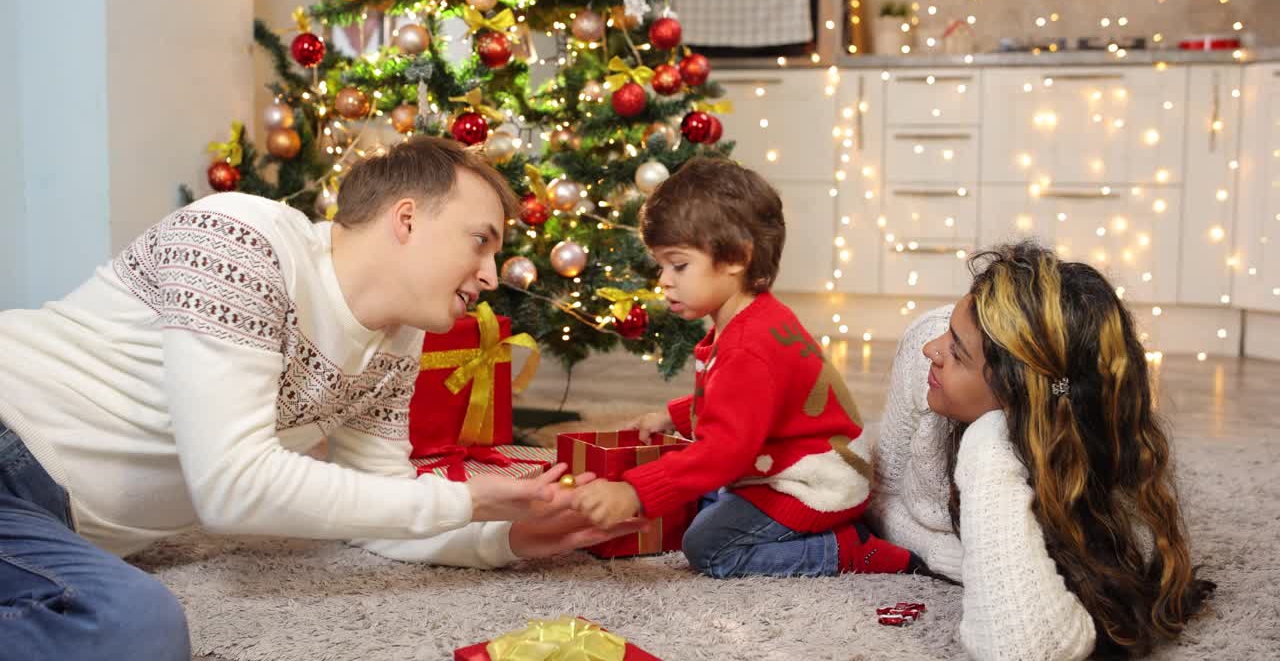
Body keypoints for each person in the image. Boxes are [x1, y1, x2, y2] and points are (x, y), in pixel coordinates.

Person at [0, 136, 643, 660]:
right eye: (481, 241)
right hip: (12, 442)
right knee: (132, 628)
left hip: (51, 524)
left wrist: (504, 538)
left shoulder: (399, 340)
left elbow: (382, 507)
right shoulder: (240, 239)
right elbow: (232, 489)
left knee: (120, 627)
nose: (492, 275)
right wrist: (467, 497)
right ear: (408, 218)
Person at [571, 157, 919, 578]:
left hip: (813, 485)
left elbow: (724, 451)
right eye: (661, 265)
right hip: (808, 464)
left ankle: (844, 549)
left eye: (678, 265)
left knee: (707, 547)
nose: (663, 279)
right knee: (702, 496)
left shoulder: (748, 345)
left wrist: (635, 492)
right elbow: (743, 399)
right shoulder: (752, 318)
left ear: (736, 257)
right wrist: (673, 415)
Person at [872, 241, 1215, 660]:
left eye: (958, 353)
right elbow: (880, 494)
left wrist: (989, 442)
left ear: (1018, 391)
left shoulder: (1102, 470)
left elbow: (1019, 648)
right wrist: (956, 559)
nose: (933, 350)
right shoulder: (923, 353)